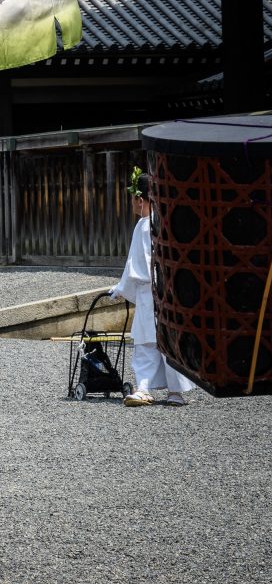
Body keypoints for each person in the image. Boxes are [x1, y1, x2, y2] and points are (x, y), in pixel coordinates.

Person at [115, 169, 196, 407]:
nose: (131, 203)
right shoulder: (169, 222)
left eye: (132, 198)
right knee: (170, 341)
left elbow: (136, 266)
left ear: (140, 199)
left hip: (149, 292)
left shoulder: (142, 226)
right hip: (171, 292)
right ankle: (175, 393)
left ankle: (143, 387)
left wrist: (120, 289)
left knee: (146, 341)